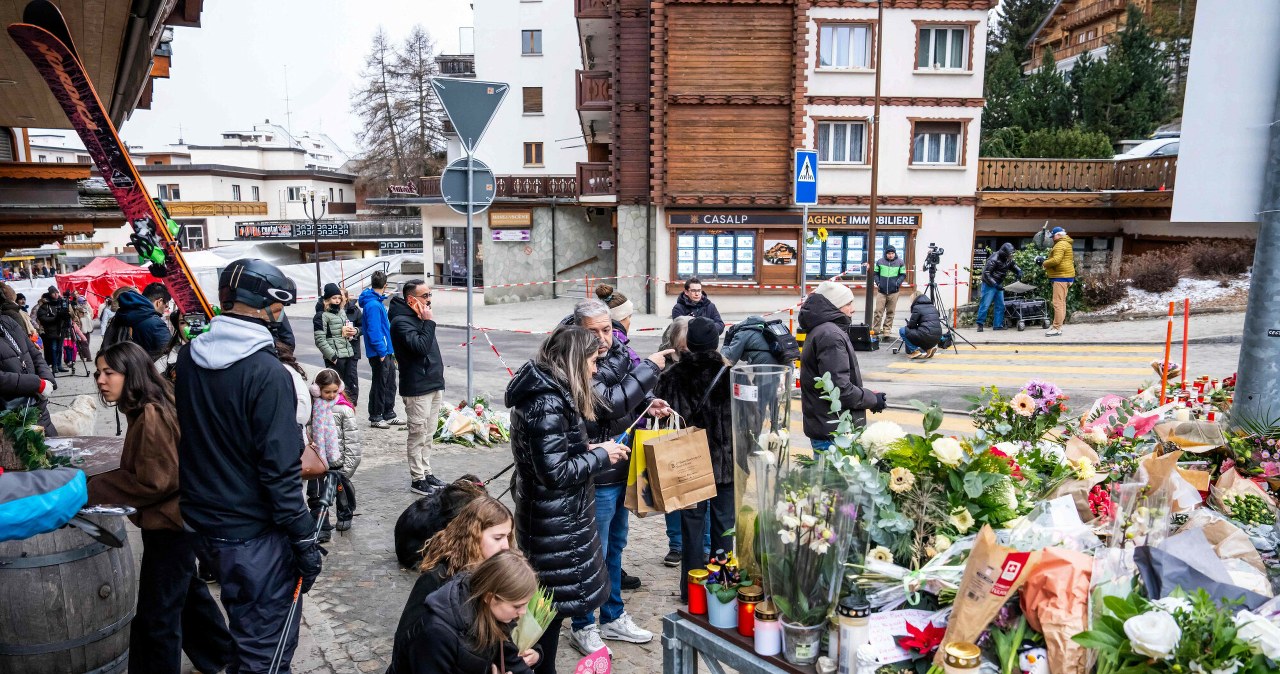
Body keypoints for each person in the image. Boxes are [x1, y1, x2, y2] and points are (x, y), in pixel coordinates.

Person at [175, 259, 322, 672]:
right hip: (255, 535)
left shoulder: (189, 357)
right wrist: (304, 538)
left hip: (205, 526)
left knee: (244, 628)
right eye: (281, 307)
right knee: (266, 650)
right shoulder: (266, 372)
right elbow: (279, 473)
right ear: (269, 306)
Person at [87, 342, 234, 673]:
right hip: (177, 523)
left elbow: (156, 481)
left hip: (172, 527)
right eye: (98, 372)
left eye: (109, 372)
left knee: (157, 617)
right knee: (187, 597)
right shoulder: (150, 406)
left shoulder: (151, 413)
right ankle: (220, 655)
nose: (100, 379)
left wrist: (92, 488)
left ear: (132, 374)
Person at [506, 325, 631, 674]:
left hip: (555, 520)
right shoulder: (547, 401)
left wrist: (584, 448)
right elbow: (555, 473)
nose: (595, 369)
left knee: (546, 612)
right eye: (592, 361)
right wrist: (601, 455)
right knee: (545, 615)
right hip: (554, 523)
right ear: (576, 359)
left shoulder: (551, 393)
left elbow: (551, 455)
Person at [567, 299, 673, 655]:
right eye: (593, 331)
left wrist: (649, 400)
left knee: (614, 548)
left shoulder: (618, 351)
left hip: (620, 466)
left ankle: (613, 617)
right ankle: (583, 625)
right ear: (578, 330)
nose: (603, 339)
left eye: (607, 329)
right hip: (592, 472)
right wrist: (650, 368)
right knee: (590, 552)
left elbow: (627, 396)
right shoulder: (572, 359)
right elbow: (606, 403)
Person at [654, 317, 736, 601]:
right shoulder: (730, 374)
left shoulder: (672, 376)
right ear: (715, 343)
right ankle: (722, 584)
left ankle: (691, 591)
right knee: (724, 525)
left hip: (688, 464)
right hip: (725, 463)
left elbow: (664, 422)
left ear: (688, 343)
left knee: (691, 526)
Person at [392, 496, 514, 659]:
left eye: (508, 537)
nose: (506, 546)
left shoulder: (497, 572)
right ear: (474, 535)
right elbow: (406, 640)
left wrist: (533, 653)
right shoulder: (438, 577)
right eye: (498, 538)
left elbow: (506, 628)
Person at [390, 550, 542, 674]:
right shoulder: (438, 633)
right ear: (490, 598)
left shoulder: (493, 615)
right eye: (517, 606)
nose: (522, 613)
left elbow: (512, 661)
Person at [799, 281, 886, 449]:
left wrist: (869, 395)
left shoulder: (823, 329)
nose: (852, 309)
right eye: (848, 303)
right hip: (833, 432)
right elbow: (840, 389)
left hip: (826, 425)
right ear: (834, 306)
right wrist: (872, 399)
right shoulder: (830, 335)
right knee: (834, 475)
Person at [390, 278, 446, 494]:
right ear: (411, 299)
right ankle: (417, 478)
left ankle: (427, 471)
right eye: (425, 296)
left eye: (430, 295)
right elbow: (420, 348)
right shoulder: (401, 322)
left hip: (433, 383)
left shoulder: (419, 317)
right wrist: (429, 322)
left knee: (429, 433)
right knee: (417, 433)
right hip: (416, 387)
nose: (429, 300)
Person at [309, 368, 362, 535]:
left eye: (334, 391)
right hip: (318, 460)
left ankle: (345, 515)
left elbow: (352, 441)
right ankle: (321, 524)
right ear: (316, 390)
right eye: (326, 392)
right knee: (316, 495)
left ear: (339, 388)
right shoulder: (312, 409)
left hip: (337, 462)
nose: (331, 395)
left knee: (342, 492)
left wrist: (347, 467)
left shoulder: (344, 409)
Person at [0, 290, 57, 433]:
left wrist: (47, 379)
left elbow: (34, 354)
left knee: (53, 449)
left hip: (37, 408)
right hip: (10, 417)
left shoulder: (7, 322)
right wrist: (36, 383)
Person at [360, 270, 402, 429]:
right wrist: (381, 351)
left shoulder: (376, 303)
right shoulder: (373, 305)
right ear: (385, 286)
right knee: (380, 383)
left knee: (390, 382)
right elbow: (374, 330)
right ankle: (376, 415)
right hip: (380, 351)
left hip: (386, 349)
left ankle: (388, 413)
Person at [314, 283, 361, 405]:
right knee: (335, 388)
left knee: (350, 386)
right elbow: (320, 340)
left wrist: (351, 333)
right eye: (334, 298)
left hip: (348, 353)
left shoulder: (341, 312)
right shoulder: (321, 316)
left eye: (339, 298)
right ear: (327, 299)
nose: (337, 301)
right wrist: (333, 357)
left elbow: (343, 332)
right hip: (335, 357)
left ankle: (349, 409)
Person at [103, 284, 172, 358]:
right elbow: (168, 353)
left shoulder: (119, 317)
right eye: (166, 306)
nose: (165, 310)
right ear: (159, 302)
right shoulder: (156, 324)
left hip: (118, 364)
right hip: (144, 367)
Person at [975, 243, 1022, 332]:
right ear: (1005, 253)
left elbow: (1013, 265)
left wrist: (1018, 271)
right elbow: (986, 274)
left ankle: (997, 325)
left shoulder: (1008, 258)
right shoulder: (993, 259)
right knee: (985, 305)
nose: (1011, 256)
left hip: (998, 284)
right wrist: (995, 284)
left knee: (1000, 305)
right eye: (1010, 254)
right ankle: (980, 324)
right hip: (989, 284)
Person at [1041, 227, 1076, 337]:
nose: (1052, 238)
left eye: (1053, 236)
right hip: (1066, 277)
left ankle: (1056, 328)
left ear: (1058, 235)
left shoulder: (1061, 244)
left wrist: (1044, 262)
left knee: (1057, 304)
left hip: (1061, 277)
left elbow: (1056, 260)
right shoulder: (1066, 243)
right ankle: (1058, 326)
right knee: (1062, 303)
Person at [870, 245, 907, 335]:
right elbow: (875, 274)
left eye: (892, 253)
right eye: (889, 253)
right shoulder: (880, 262)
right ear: (886, 254)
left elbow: (903, 275)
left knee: (890, 312)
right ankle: (875, 330)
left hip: (894, 292)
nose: (890, 255)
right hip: (881, 292)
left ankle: (887, 331)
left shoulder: (900, 262)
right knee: (878, 311)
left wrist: (897, 283)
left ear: (895, 253)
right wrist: (878, 283)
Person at [34, 286, 70, 372]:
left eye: (57, 292)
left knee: (60, 348)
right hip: (51, 330)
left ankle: (59, 365)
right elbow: (41, 317)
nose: (56, 294)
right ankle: (54, 366)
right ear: (50, 294)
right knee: (53, 348)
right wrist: (54, 318)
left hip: (61, 329)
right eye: (54, 293)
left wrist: (66, 316)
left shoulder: (62, 303)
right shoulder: (45, 305)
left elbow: (69, 313)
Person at [899, 292, 942, 360]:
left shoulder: (917, 307)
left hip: (926, 334)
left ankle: (915, 351)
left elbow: (911, 325)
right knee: (922, 332)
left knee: (902, 330)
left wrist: (908, 325)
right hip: (938, 336)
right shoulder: (932, 306)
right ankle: (929, 349)